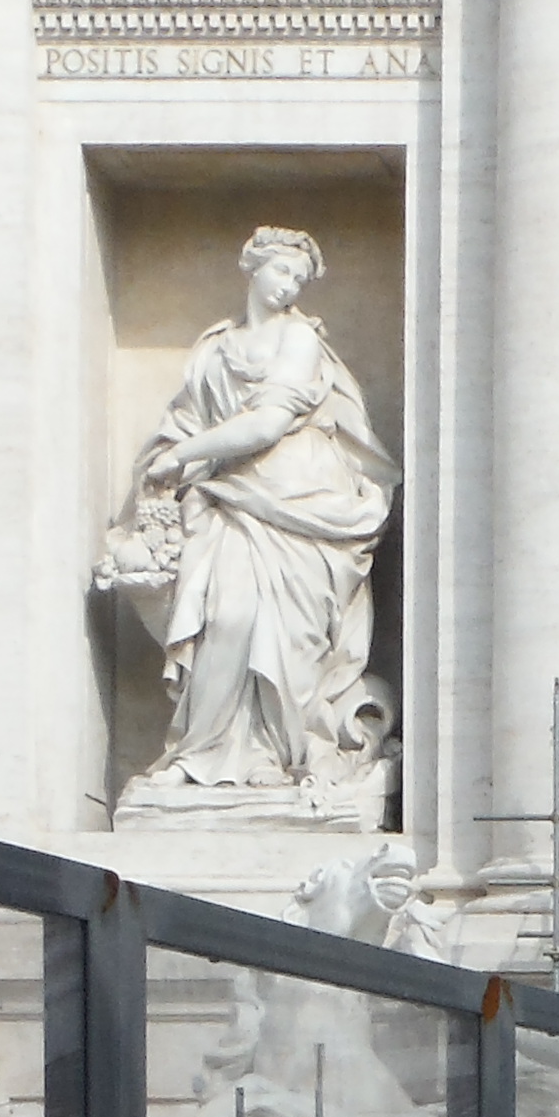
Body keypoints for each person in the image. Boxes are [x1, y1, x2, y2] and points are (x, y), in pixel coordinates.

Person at [107, 226, 398, 812]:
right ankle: (203, 754)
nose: (289, 286)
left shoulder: (300, 340)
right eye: (281, 271)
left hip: (298, 498)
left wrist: (184, 457)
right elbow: (185, 420)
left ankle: (280, 756)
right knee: (225, 616)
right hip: (226, 499)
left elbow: (265, 426)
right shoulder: (214, 346)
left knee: (287, 635)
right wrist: (169, 465)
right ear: (253, 268)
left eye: (299, 278)